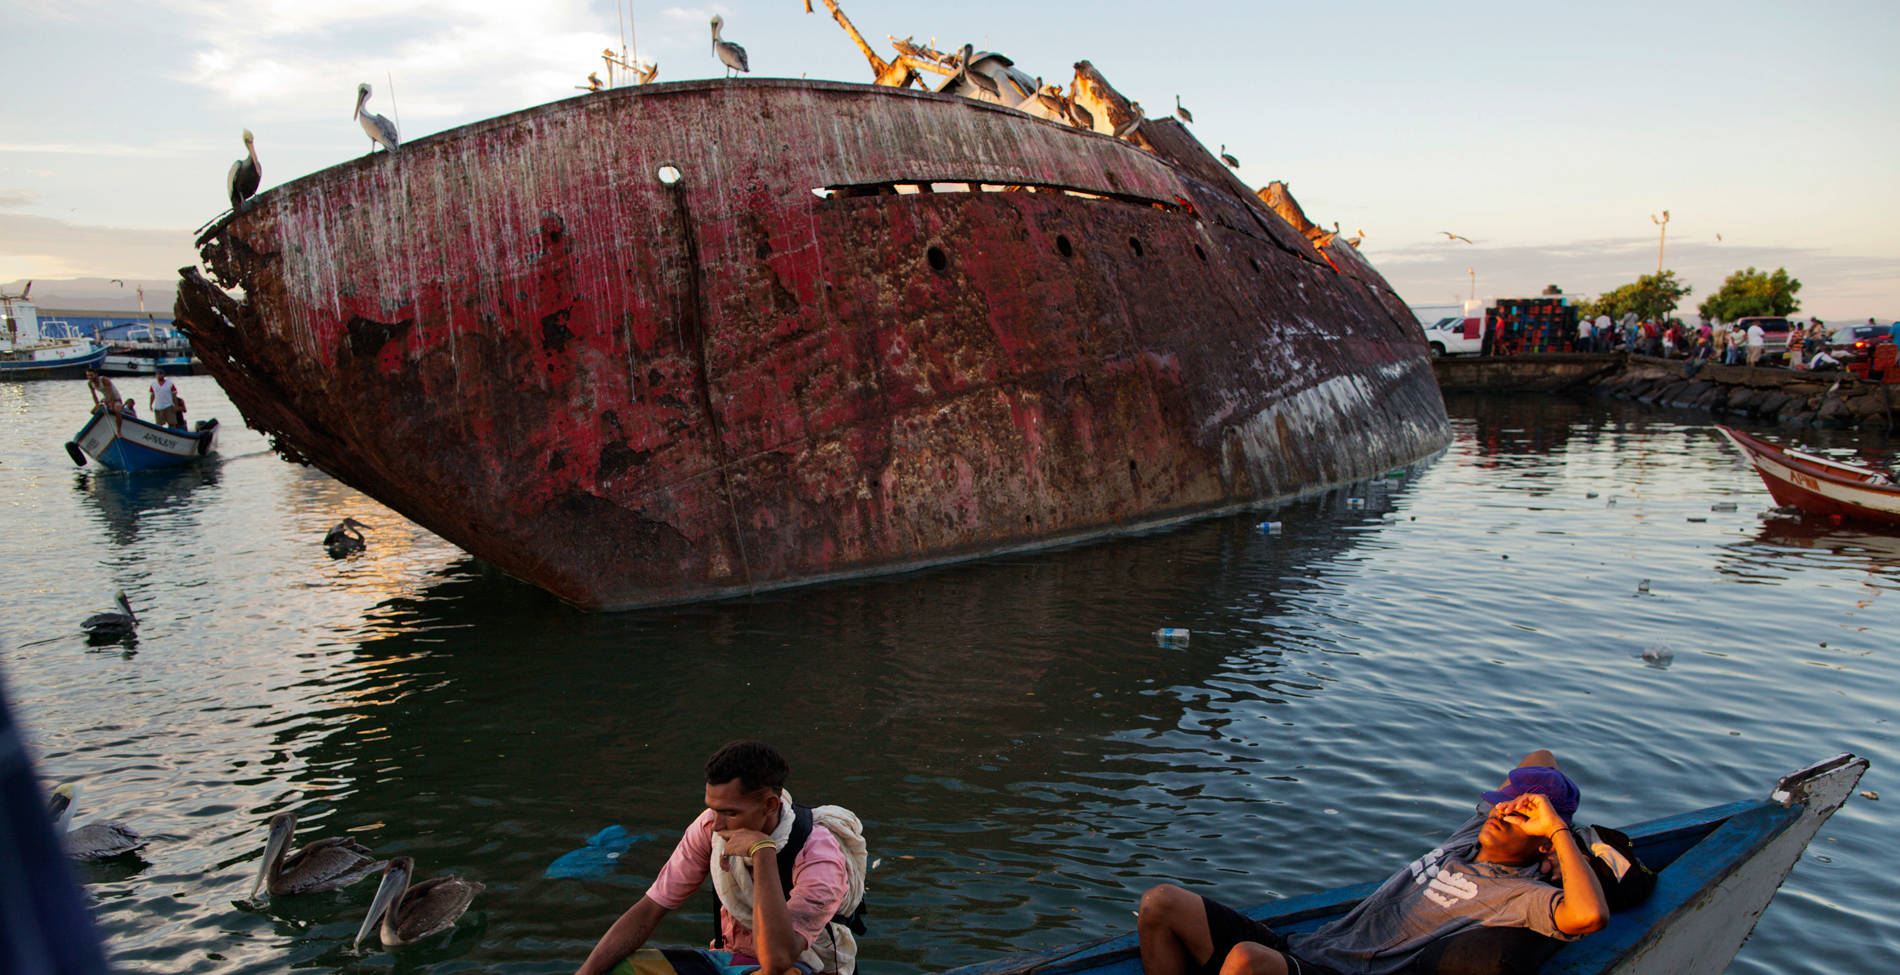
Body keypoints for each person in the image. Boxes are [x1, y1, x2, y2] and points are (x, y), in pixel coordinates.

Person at [1136, 750, 1608, 975]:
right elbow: (1541, 756)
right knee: (1160, 903)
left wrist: (1562, 837)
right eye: (1506, 802)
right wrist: (1540, 810)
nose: (1503, 812)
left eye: (1522, 814)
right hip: (1311, 945)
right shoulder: (1472, 835)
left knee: (1245, 962)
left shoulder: (1521, 893)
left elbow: (1588, 915)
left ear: (1544, 839)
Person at [576, 741, 851, 975]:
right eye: (713, 809)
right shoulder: (709, 827)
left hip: (799, 967)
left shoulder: (819, 857)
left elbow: (777, 961)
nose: (717, 825)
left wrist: (763, 852)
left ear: (769, 805)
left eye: (730, 813)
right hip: (727, 960)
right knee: (620, 968)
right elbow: (649, 909)